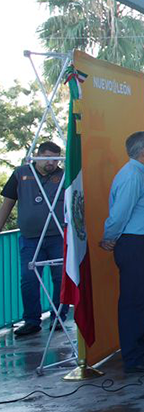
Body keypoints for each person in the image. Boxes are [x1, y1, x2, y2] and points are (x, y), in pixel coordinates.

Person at [99, 131, 144, 374]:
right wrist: (109, 237)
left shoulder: (143, 174)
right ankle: (133, 358)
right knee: (134, 302)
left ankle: (142, 350)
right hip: (135, 246)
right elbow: (119, 213)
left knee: (143, 300)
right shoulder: (132, 176)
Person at [0, 140, 68, 337]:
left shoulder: (64, 176)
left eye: (55, 159)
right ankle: (31, 321)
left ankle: (58, 317)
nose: (51, 162)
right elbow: (7, 204)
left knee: (60, 278)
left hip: (57, 237)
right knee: (29, 279)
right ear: (37, 156)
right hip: (30, 238)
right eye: (47, 158)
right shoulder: (20, 174)